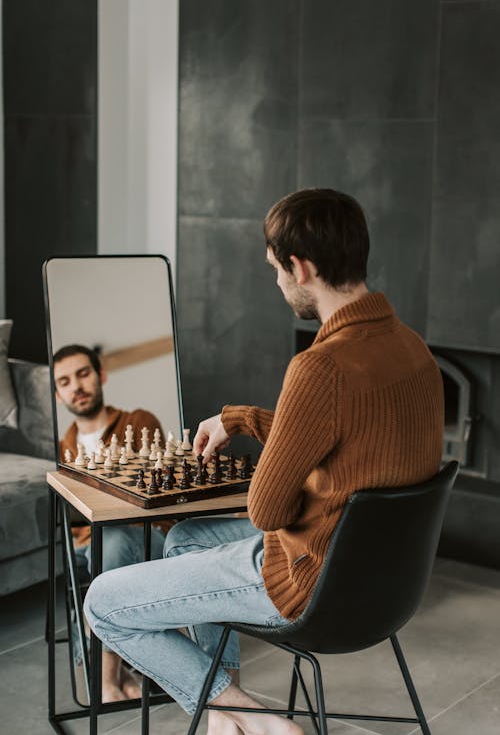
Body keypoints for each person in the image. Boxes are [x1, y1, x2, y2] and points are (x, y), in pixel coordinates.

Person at [84, 188, 444, 734]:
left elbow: (267, 511)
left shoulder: (319, 366)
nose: (277, 281)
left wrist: (279, 457)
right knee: (184, 537)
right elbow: (350, 436)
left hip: (305, 580)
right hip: (382, 585)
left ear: (300, 267)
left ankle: (251, 716)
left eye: (275, 268)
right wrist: (247, 419)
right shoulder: (414, 349)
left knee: (104, 604)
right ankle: (225, 722)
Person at [53, 344, 172, 702]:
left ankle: (107, 679)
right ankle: (129, 665)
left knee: (114, 543)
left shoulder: (138, 423)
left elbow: (147, 499)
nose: (77, 385)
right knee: (91, 557)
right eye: (64, 381)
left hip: (139, 535)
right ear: (58, 395)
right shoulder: (61, 450)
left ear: (101, 375)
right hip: (87, 545)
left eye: (83, 373)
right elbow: (68, 522)